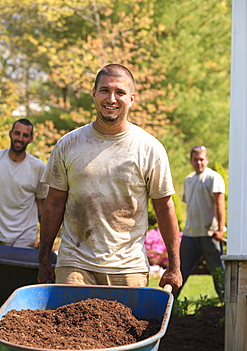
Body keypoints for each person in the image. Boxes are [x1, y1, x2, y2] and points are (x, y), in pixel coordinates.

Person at [38, 63, 182, 292]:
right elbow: (54, 203)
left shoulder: (149, 148)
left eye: (120, 92)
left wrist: (174, 265)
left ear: (132, 98)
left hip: (128, 267)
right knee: (70, 327)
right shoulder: (69, 145)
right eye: (105, 90)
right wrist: (44, 258)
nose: (111, 98)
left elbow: (164, 208)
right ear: (94, 94)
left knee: (128, 328)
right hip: (75, 262)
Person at [175, 145, 226, 299]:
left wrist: (220, 229)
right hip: (191, 234)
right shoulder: (189, 179)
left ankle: (226, 304)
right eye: (196, 159)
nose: (199, 163)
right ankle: (170, 304)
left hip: (209, 233)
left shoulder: (213, 177)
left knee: (218, 272)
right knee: (180, 270)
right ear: (191, 160)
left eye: (202, 159)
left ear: (207, 159)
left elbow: (220, 204)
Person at [0, 118, 48, 248]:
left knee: (17, 268)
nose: (20, 138)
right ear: (10, 133)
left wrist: (44, 241)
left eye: (25, 135)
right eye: (17, 133)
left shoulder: (38, 167)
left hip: (25, 235)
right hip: (1, 232)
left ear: (31, 139)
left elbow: (41, 205)